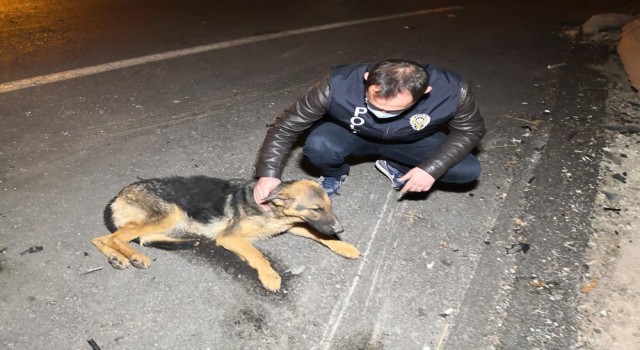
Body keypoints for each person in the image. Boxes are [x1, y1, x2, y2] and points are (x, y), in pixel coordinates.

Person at [253, 58, 486, 211]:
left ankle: (396, 165)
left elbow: (470, 130)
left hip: (412, 139)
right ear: (367, 79)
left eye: (393, 109)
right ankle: (334, 174)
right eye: (375, 104)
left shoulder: (452, 91)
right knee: (319, 144)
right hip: (353, 133)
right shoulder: (337, 84)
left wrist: (431, 168)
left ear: (425, 93)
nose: (381, 113)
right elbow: (286, 126)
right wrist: (268, 174)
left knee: (466, 170)